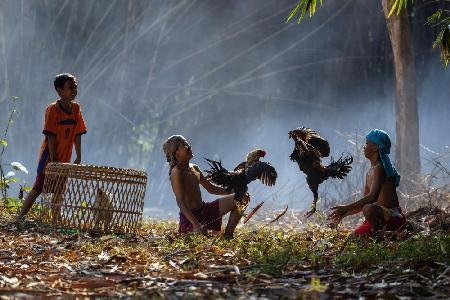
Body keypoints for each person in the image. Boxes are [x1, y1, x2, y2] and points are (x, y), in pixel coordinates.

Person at [17, 73, 87, 223]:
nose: (74, 90)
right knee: (38, 186)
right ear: (59, 90)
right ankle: (20, 217)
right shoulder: (53, 109)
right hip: (49, 156)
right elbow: (51, 135)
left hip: (65, 157)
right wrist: (54, 159)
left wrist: (78, 156)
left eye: (75, 87)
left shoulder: (76, 109)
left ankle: (56, 219)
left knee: (60, 189)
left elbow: (78, 134)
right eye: (70, 87)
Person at [163, 135, 244, 238]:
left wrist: (234, 190)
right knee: (202, 234)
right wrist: (195, 224)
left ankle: (228, 236)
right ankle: (193, 229)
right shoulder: (176, 171)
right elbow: (181, 202)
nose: (188, 146)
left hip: (204, 209)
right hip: (190, 218)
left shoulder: (194, 168)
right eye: (184, 145)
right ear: (176, 153)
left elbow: (211, 189)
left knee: (239, 200)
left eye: (187, 143)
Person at [328, 129, 405, 236]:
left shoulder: (380, 169)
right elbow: (364, 203)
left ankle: (381, 233)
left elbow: (372, 198)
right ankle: (381, 233)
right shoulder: (370, 172)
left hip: (392, 217)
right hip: (380, 217)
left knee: (368, 208)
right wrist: (344, 214)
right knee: (353, 237)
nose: (364, 147)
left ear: (376, 147)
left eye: (367, 143)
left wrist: (345, 207)